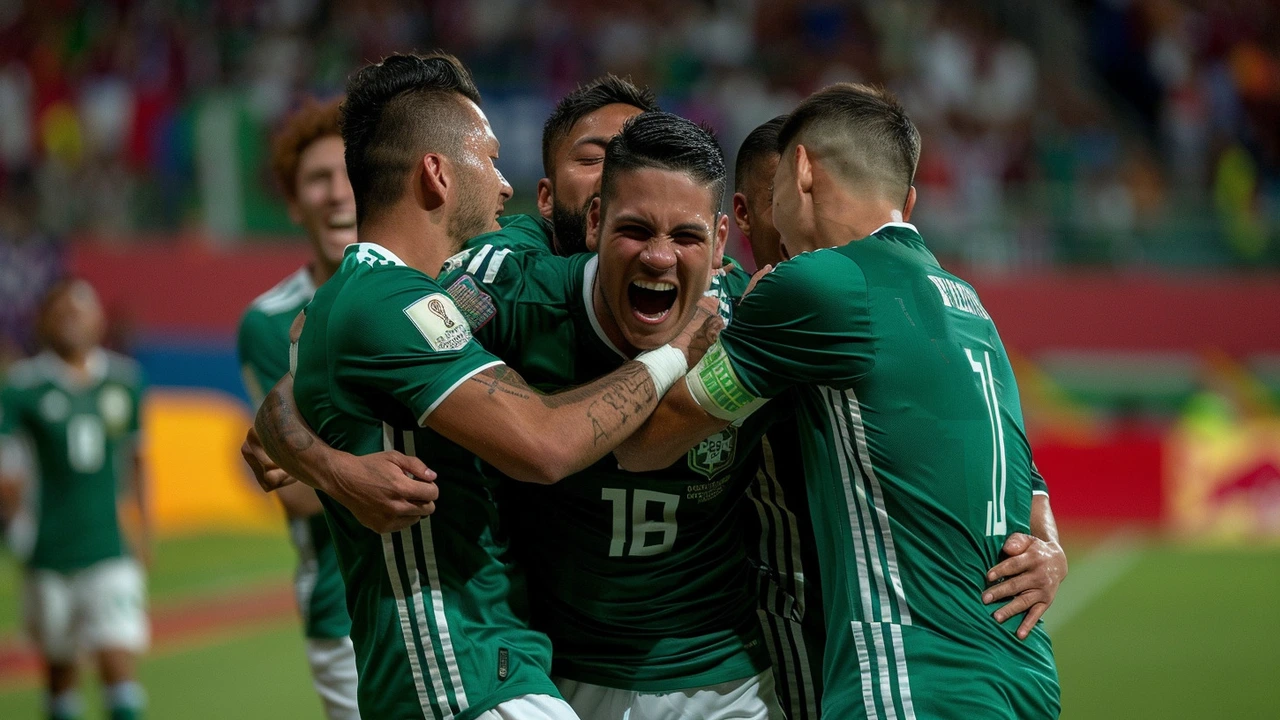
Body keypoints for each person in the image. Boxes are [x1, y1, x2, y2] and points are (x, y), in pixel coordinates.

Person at [255, 52, 719, 720]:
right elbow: (543, 445)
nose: (502, 185)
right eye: (491, 160)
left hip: (501, 664)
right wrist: (677, 351)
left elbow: (284, 398)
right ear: (438, 173)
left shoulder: (415, 297)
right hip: (457, 674)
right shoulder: (398, 302)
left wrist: (328, 467)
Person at [618, 84, 1063, 718]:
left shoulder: (818, 283)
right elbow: (1020, 466)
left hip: (911, 683)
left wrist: (691, 344)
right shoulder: (967, 303)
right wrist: (1048, 544)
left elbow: (646, 442)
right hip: (1023, 680)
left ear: (801, 169)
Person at [236, 97, 360, 720]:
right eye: (317, 179)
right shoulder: (268, 322)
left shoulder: (442, 284)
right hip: (345, 609)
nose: (337, 194)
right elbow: (296, 489)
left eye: (349, 174)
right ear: (293, 203)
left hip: (468, 593)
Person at [0, 280, 149, 720]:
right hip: (47, 550)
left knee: (117, 661)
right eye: (62, 311)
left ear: (99, 320)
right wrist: (14, 523)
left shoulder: (124, 380)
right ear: (43, 321)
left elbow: (138, 460)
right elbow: (8, 468)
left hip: (108, 547)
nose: (72, 319)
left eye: (81, 310)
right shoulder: (22, 387)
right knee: (60, 672)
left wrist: (145, 531)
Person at [538, 75, 659, 255]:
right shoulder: (504, 271)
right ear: (547, 197)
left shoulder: (706, 278)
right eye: (592, 158)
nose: (613, 172)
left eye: (636, 159)